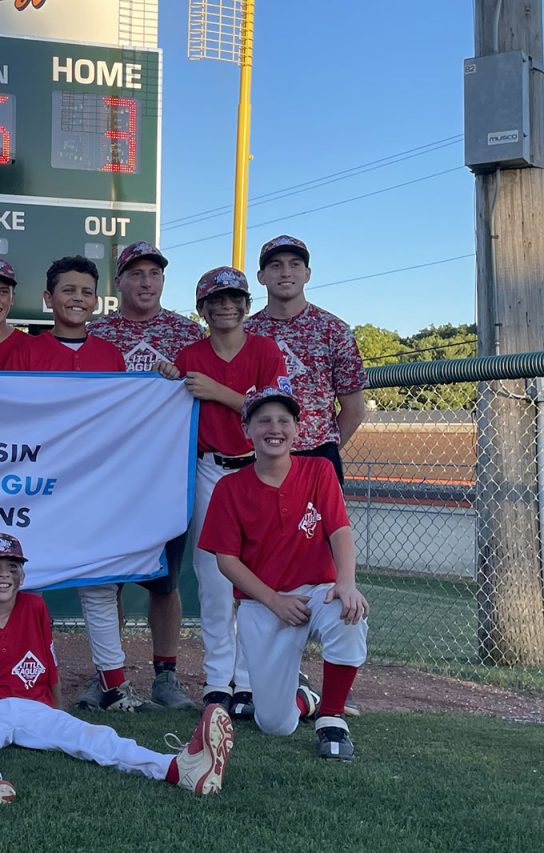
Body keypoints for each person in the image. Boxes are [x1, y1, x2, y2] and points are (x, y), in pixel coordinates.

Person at [0, 533, 234, 806]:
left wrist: (59, 714)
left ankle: (178, 768)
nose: (3, 575)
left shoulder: (35, 607)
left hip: (33, 707)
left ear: (22, 576)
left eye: (12, 568)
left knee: (95, 737)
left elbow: (50, 665)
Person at [2, 257, 151, 712]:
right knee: (29, 584)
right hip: (35, 487)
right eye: (68, 290)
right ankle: (25, 679)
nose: (78, 299)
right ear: (48, 299)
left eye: (86, 292)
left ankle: (114, 683)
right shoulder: (24, 352)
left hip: (92, 488)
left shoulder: (110, 356)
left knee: (99, 586)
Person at [198, 387, 368, 760]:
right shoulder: (230, 487)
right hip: (265, 602)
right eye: (263, 421)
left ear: (297, 429)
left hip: (318, 590)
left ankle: (332, 718)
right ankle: (304, 698)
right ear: (248, 431)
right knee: (275, 723)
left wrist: (346, 583)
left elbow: (339, 530)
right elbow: (226, 561)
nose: (274, 428)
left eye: (283, 421)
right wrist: (275, 601)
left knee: (348, 612)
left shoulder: (319, 469)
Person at [155, 266, 287, 714]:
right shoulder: (190, 353)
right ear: (203, 308)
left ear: (247, 306)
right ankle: (218, 682)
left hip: (259, 470)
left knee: (258, 579)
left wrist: (217, 391)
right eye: (216, 300)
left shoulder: (265, 350)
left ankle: (249, 683)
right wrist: (168, 378)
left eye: (233, 299)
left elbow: (276, 412)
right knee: (214, 580)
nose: (225, 306)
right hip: (209, 470)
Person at [248, 235, 367, 716]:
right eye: (275, 265)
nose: (285, 273)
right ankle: (281, 675)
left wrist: (320, 451)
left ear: (307, 273)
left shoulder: (333, 330)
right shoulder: (250, 332)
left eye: (295, 264)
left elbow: (354, 407)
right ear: (261, 276)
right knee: (268, 565)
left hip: (316, 455)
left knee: (326, 572)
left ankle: (338, 681)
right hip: (257, 461)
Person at [84, 241, 205, 712]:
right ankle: (107, 674)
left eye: (154, 273)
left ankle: (165, 675)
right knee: (107, 580)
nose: (146, 281)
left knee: (165, 582)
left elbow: (201, 392)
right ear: (120, 283)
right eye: (136, 274)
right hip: (108, 475)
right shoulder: (99, 333)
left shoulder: (185, 332)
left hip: (164, 475)